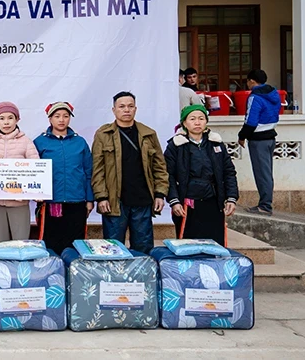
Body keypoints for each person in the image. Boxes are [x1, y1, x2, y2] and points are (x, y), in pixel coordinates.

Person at [91, 92, 169, 253]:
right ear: (114, 110)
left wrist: (160, 194)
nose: (126, 110)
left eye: (130, 106)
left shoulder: (148, 134)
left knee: (143, 248)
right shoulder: (103, 135)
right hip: (114, 200)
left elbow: (160, 167)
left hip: (143, 199)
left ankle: (143, 277)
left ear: (135, 109)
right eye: (122, 106)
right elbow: (97, 169)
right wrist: (101, 197)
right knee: (113, 248)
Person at [164, 105, 239, 246]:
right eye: (192, 119)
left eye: (201, 118)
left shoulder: (216, 144)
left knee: (214, 244)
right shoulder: (176, 146)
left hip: (213, 201)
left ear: (206, 121)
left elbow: (229, 172)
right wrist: (174, 200)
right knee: (189, 245)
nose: (197, 122)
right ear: (184, 123)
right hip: (188, 202)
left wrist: (231, 198)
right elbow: (169, 176)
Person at [33, 102, 94, 255]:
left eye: (65, 116)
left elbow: (88, 172)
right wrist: (36, 194)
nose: (61, 120)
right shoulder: (40, 143)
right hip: (52, 202)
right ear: (50, 119)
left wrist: (90, 199)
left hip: (77, 201)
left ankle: (73, 274)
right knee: (51, 243)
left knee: (76, 244)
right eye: (57, 116)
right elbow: (32, 172)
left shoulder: (80, 142)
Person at [0, 101, 39, 242]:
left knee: (20, 243)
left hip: (19, 202)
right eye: (2, 118)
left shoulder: (26, 142)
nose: (6, 122)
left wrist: (37, 192)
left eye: (10, 118)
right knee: (1, 243)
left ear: (17, 119)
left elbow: (36, 168)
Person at [238, 69, 281, 216]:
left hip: (258, 140)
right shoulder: (274, 94)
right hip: (270, 138)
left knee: (262, 173)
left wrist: (242, 136)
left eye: (248, 81)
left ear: (252, 81)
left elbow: (251, 121)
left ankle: (265, 206)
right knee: (267, 173)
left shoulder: (255, 97)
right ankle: (266, 203)